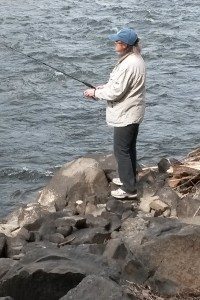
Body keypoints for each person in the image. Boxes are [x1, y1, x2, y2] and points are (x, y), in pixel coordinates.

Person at [84, 27, 146, 199]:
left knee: (121, 151)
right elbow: (119, 86)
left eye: (117, 42)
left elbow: (116, 93)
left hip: (126, 114)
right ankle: (130, 179)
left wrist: (95, 93)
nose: (114, 44)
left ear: (125, 45)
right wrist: (102, 88)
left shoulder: (128, 64)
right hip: (133, 112)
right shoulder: (135, 59)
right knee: (129, 147)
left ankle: (129, 190)